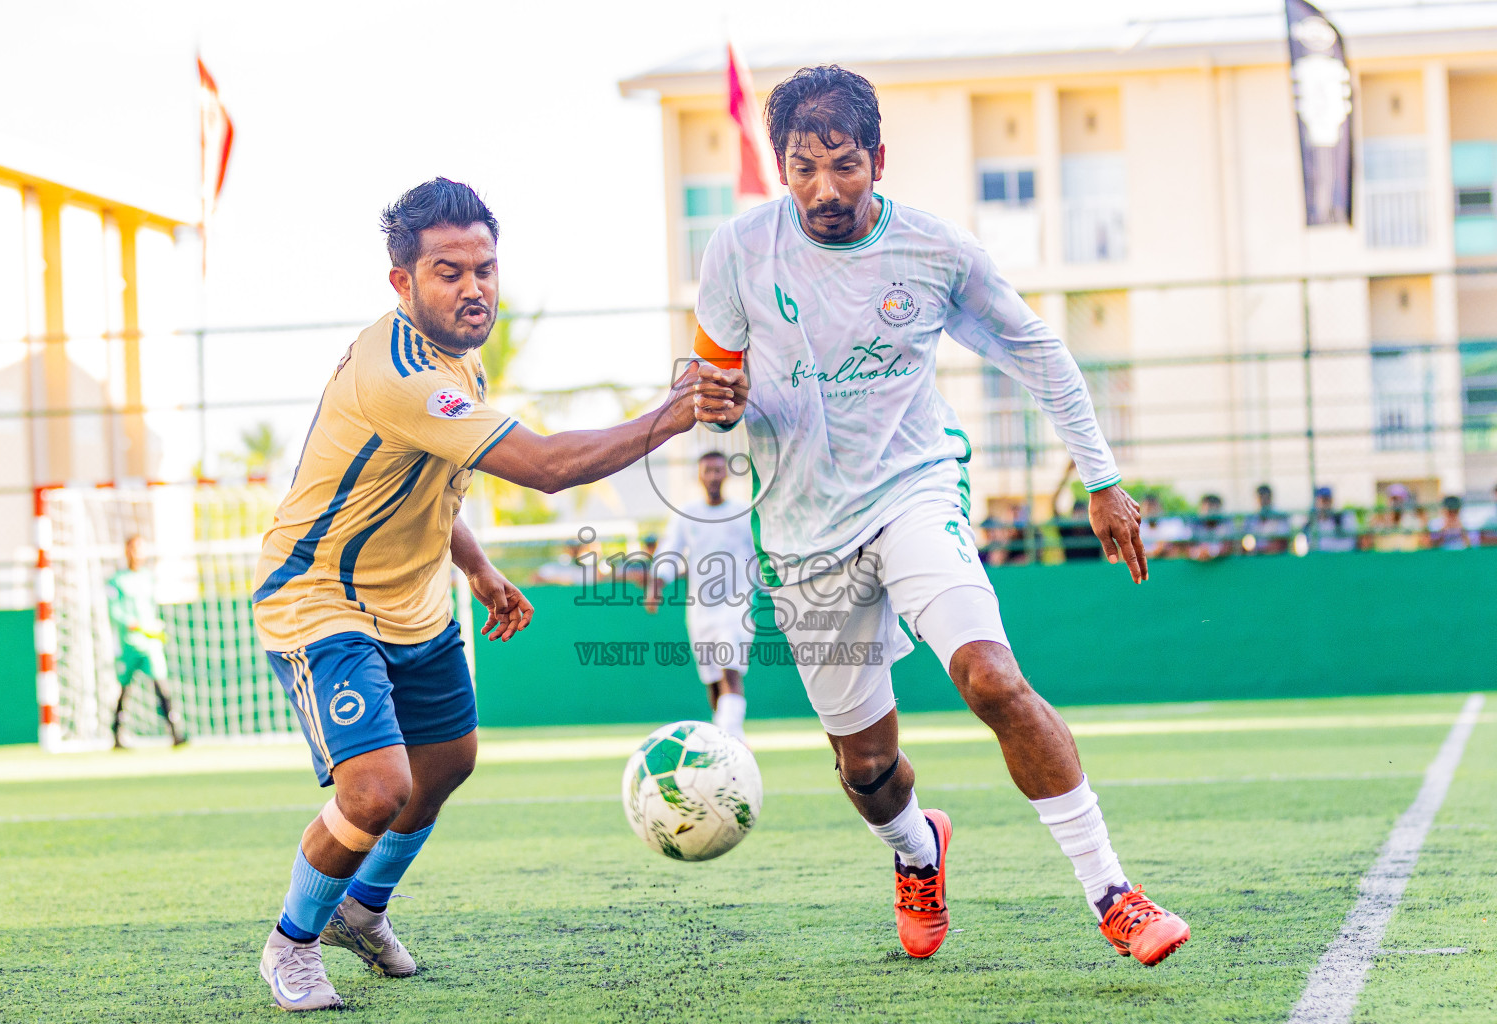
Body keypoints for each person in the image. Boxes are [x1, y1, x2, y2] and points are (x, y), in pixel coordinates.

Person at [690, 66, 1187, 966]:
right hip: (803, 534)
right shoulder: (735, 250)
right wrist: (715, 401)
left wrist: (1102, 479)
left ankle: (1113, 891)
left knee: (993, 679)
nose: (824, 189)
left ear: (878, 159)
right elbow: (717, 394)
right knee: (865, 770)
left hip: (914, 488)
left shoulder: (935, 250)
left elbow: (1038, 351)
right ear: (780, 166)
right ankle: (919, 851)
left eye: (844, 165)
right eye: (803, 167)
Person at [250, 178, 735, 1012]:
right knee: (375, 791)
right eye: (448, 272)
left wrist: (475, 566)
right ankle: (292, 944)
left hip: (416, 598)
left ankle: (362, 912)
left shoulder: (458, 358)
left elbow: (429, 476)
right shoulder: (399, 370)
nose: (474, 288)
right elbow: (545, 469)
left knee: (448, 763)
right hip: (322, 598)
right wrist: (672, 414)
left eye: (486, 268)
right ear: (401, 282)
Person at [645, 451, 759, 740]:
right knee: (712, 681)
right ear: (698, 475)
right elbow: (670, 550)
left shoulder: (744, 513)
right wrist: (656, 584)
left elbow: (761, 555)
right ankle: (725, 740)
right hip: (700, 611)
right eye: (707, 471)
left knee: (730, 671)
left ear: (727, 474)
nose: (712, 476)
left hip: (737, 606)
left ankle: (731, 738)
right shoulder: (687, 515)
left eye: (718, 470)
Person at [106, 535, 186, 748]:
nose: (137, 553)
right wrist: (132, 623)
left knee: (161, 685)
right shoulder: (116, 581)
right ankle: (116, 733)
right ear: (126, 551)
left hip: (150, 643)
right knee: (124, 689)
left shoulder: (148, 578)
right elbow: (114, 611)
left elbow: (150, 608)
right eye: (133, 548)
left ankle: (175, 732)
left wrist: (154, 627)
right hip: (129, 645)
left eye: (140, 549)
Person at [1242, 484, 1292, 555]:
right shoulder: (1250, 520)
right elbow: (1245, 544)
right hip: (1255, 559)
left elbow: (1281, 544)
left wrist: (1262, 550)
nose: (1263, 501)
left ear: (1270, 498)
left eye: (1266, 498)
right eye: (1260, 498)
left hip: (1275, 558)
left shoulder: (1281, 518)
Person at [1309, 486, 1359, 553]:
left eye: (1327, 500)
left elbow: (1350, 543)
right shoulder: (1311, 524)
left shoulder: (1342, 518)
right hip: (1322, 560)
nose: (1325, 504)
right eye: (1323, 501)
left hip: (1342, 558)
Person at [1189, 494, 1232, 562]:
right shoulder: (1194, 523)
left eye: (1213, 508)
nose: (1210, 512)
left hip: (1221, 565)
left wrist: (1211, 552)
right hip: (1197, 566)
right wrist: (1197, 553)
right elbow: (1186, 547)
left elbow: (1229, 546)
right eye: (1207, 508)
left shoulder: (1226, 522)